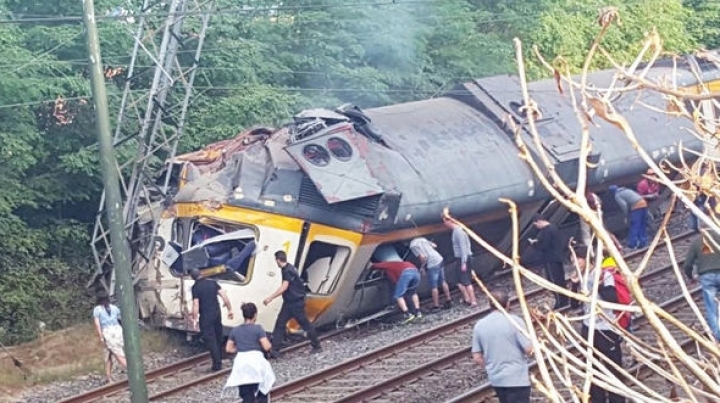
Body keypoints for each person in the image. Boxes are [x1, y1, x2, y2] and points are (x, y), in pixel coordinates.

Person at [573, 246, 626, 403]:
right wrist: (574, 285)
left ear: (585, 258)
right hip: (588, 327)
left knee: (613, 367)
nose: (574, 262)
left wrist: (599, 284)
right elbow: (574, 306)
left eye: (576, 258)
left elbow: (612, 298)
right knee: (591, 367)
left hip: (606, 328)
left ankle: (617, 399)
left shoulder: (603, 274)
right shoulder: (581, 277)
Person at [471, 289, 533, 403]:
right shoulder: (515, 321)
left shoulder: (479, 325)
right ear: (508, 304)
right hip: (517, 378)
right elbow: (529, 349)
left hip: (497, 379)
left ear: (490, 304)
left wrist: (490, 367)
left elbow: (477, 357)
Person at [264, 250, 321, 355]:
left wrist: (270, 298)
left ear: (277, 260)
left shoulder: (287, 271)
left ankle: (317, 345)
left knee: (305, 324)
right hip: (290, 302)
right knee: (280, 323)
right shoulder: (290, 268)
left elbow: (284, 287)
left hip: (295, 303)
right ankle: (275, 349)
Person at [223, 303, 276, 403]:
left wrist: (240, 348)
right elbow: (267, 346)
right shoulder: (258, 329)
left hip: (241, 362)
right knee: (263, 385)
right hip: (256, 361)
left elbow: (228, 349)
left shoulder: (235, 330)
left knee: (246, 393)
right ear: (255, 315)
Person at [191, 268, 234, 372]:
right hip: (217, 313)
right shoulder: (213, 283)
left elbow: (196, 304)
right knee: (218, 336)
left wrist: (194, 319)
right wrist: (229, 309)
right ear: (201, 274)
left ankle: (217, 364)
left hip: (206, 315)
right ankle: (220, 357)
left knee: (210, 339)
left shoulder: (195, 287)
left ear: (193, 277)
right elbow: (224, 296)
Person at [683, 230, 720, 342]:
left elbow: (687, 264)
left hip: (706, 276)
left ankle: (718, 337)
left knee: (711, 308)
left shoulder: (697, 241)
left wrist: (690, 277)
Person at [528, 214, 569, 309]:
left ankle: (560, 301)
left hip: (550, 259)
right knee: (560, 280)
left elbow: (543, 246)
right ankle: (564, 299)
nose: (536, 227)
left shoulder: (546, 231)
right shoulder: (554, 228)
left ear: (539, 222)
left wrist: (534, 244)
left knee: (554, 281)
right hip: (557, 258)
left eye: (536, 225)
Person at [409, 237, 452, 312]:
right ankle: (449, 300)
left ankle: (436, 306)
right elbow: (435, 245)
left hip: (432, 263)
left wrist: (422, 268)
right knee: (442, 281)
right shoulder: (422, 239)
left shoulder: (412, 245)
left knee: (433, 286)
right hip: (439, 258)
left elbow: (423, 257)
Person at [443, 216, 478, 307]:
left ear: (450, 221)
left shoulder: (459, 232)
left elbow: (463, 248)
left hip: (464, 258)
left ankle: (473, 301)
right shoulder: (456, 231)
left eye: (445, 222)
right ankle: (467, 298)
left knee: (466, 281)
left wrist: (464, 262)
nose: (444, 224)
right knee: (458, 280)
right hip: (460, 258)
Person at [92, 292, 127, 383]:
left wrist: (101, 337)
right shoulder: (115, 308)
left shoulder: (97, 309)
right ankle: (108, 377)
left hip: (107, 332)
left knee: (116, 353)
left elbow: (97, 324)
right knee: (109, 354)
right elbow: (120, 319)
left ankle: (131, 369)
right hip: (117, 330)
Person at [608, 185, 648, 249]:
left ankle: (632, 244)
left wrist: (627, 216)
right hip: (643, 203)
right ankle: (643, 242)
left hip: (636, 206)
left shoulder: (617, 195)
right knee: (642, 224)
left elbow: (624, 205)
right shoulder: (626, 189)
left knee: (634, 225)